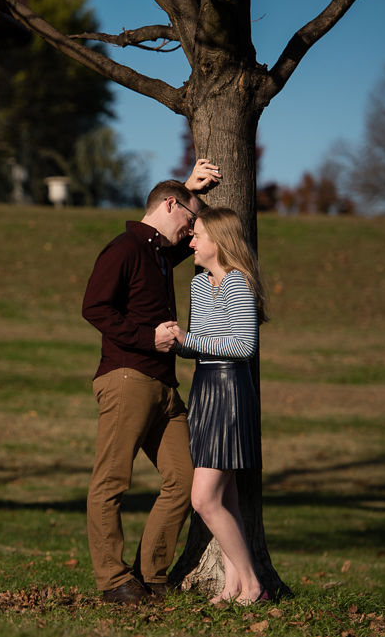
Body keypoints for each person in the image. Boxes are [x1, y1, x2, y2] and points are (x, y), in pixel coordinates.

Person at [82, 159, 221, 604]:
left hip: (165, 387)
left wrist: (188, 186)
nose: (193, 230)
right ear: (168, 206)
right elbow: (95, 308)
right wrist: (146, 337)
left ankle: (150, 577)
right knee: (111, 481)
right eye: (190, 218)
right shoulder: (125, 248)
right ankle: (113, 581)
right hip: (128, 377)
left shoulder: (158, 254)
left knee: (185, 480)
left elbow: (192, 246)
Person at [166, 207, 269, 605]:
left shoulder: (237, 285)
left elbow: (244, 346)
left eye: (198, 235)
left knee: (203, 499)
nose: (191, 241)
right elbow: (200, 344)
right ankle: (232, 586)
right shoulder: (198, 285)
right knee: (224, 500)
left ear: (219, 242)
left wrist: (189, 339)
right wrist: (181, 341)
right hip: (205, 389)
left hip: (230, 390)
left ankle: (253, 583)